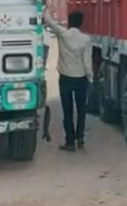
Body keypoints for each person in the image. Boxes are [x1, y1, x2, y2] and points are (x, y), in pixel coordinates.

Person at [43, 9, 93, 151]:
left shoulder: (62, 34)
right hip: (81, 78)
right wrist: (90, 77)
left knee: (68, 111)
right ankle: (81, 138)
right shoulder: (86, 40)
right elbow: (87, 61)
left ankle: (70, 141)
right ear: (81, 23)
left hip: (65, 78)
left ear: (69, 22)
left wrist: (45, 9)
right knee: (81, 109)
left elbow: (50, 22)